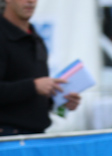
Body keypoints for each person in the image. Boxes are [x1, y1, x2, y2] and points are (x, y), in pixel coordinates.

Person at [0, 0, 82, 136]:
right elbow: (33, 87)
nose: (30, 1)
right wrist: (33, 86)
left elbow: (35, 94)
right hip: (8, 138)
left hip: (37, 136)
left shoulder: (36, 38)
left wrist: (60, 101)